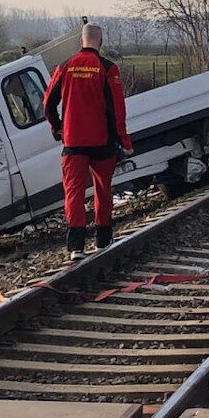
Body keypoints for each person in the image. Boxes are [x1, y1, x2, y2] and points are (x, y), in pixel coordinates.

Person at [43, 23, 134, 260]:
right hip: (102, 142)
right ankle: (103, 240)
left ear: (80, 42)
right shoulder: (107, 68)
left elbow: (48, 103)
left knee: (73, 193)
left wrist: (58, 127)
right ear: (100, 42)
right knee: (103, 190)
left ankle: (76, 247)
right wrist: (124, 141)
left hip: (73, 142)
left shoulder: (64, 67)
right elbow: (117, 110)